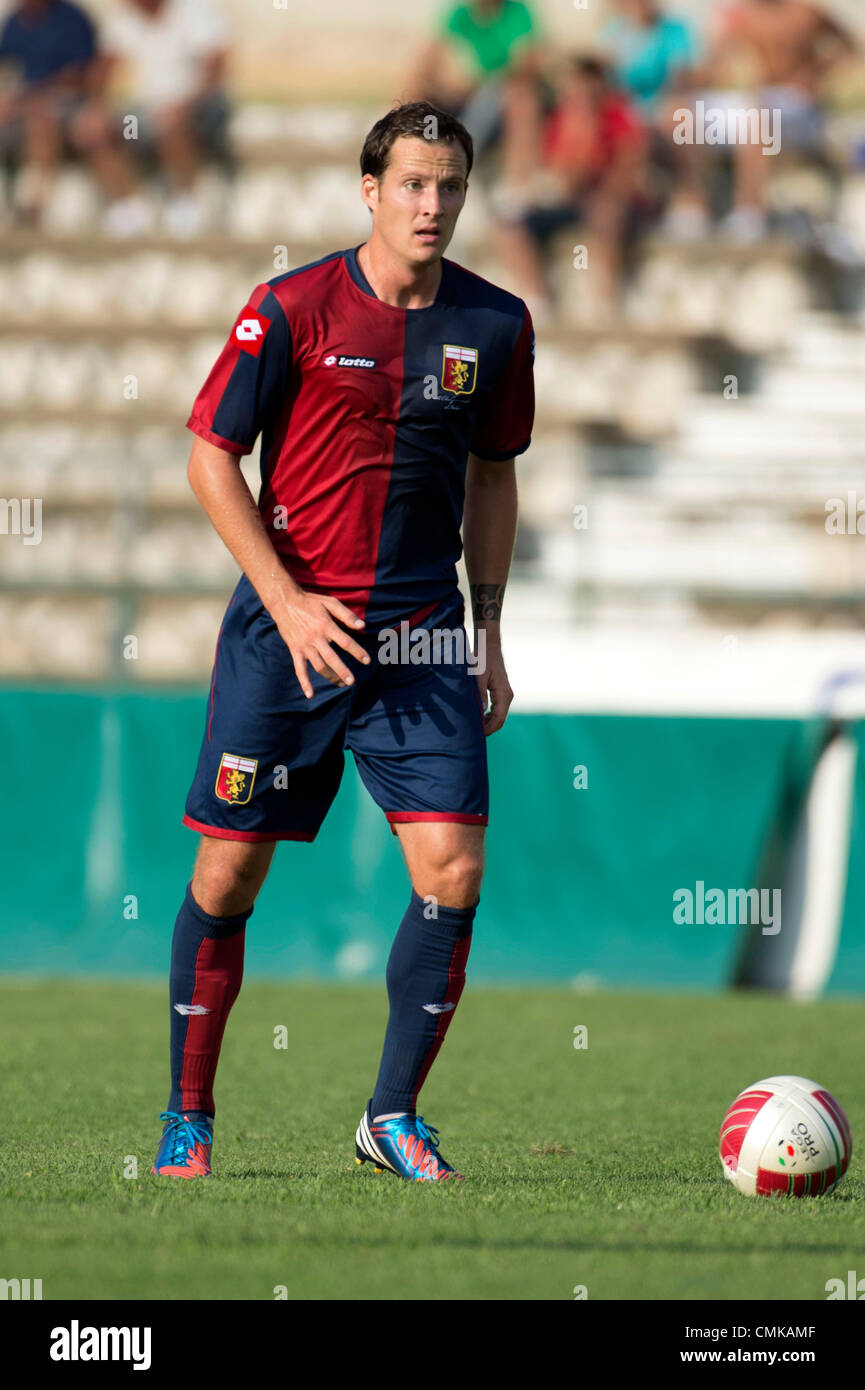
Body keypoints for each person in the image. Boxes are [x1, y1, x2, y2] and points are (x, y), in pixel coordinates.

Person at [151, 101, 535, 1183]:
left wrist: (490, 632)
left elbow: (495, 474)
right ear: (369, 190)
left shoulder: (495, 325)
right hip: (288, 634)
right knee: (226, 879)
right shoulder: (289, 307)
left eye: (451, 185)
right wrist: (283, 599)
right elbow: (209, 459)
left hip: (420, 639)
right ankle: (189, 1116)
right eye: (412, 183)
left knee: (453, 868)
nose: (432, 203)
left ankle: (391, 1118)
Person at [493, 56, 648, 321]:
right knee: (510, 226)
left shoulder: (618, 116)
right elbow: (552, 167)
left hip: (601, 201)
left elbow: (628, 168)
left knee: (606, 216)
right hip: (567, 201)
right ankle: (536, 300)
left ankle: (606, 301)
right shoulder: (559, 119)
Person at [708, 0, 857, 241]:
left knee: (759, 115)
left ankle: (750, 210)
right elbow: (718, 57)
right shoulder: (746, 15)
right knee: (687, 118)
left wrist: (819, 73)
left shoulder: (806, 13)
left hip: (802, 103)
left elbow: (849, 44)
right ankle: (693, 207)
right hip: (768, 95)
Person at [92, 0, 231, 236]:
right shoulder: (125, 20)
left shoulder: (193, 11)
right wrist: (99, 107)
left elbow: (214, 68)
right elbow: (106, 69)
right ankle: (127, 208)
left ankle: (185, 203)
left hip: (200, 106)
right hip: (147, 111)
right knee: (98, 128)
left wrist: (186, 103)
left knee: (171, 122)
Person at [406, 0, 546, 191]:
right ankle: (408, 163)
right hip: (470, 90)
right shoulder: (461, 14)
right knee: (416, 92)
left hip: (504, 91)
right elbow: (430, 56)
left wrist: (493, 82)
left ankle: (519, 184)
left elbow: (530, 63)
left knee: (522, 98)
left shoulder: (517, 12)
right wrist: (433, 80)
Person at [0, 0, 98, 222]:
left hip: (66, 101)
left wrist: (31, 96)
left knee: (41, 120)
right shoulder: (14, 21)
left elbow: (79, 74)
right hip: (22, 102)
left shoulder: (71, 19)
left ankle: (35, 202)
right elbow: (6, 65)